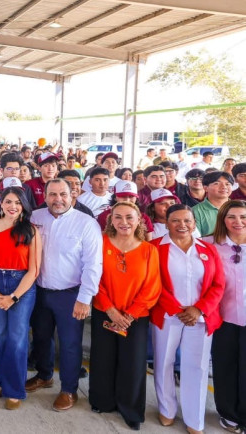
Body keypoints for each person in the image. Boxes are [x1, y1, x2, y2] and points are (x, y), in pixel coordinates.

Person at [27, 179, 102, 411]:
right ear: (45, 196)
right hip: (40, 291)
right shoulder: (36, 218)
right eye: (52, 194)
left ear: (73, 195)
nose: (57, 199)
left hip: (71, 295)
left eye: (62, 194)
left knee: (70, 344)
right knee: (41, 337)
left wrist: (84, 298)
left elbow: (93, 264)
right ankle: (44, 375)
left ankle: (69, 390)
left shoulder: (86, 223)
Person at [150, 204, 225, 433]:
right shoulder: (155, 248)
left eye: (187, 221)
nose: (182, 225)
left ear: (194, 223)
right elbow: (153, 282)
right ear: (167, 223)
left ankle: (195, 419)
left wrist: (199, 309)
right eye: (176, 221)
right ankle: (167, 409)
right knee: (164, 363)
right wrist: (176, 309)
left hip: (200, 318)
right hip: (168, 315)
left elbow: (218, 285)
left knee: (197, 368)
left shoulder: (208, 249)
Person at [89, 201, 161, 431]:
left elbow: (152, 287)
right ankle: (102, 401)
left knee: (133, 363)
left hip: (135, 318)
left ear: (139, 220)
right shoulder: (100, 243)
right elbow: (94, 278)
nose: (124, 222)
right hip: (105, 312)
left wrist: (129, 315)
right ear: (110, 220)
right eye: (118, 217)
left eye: (129, 217)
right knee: (103, 358)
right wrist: (110, 309)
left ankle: (130, 410)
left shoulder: (149, 250)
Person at [0, 186, 41, 410]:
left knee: (17, 338)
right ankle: (2, 380)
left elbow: (34, 271)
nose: (12, 206)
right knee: (2, 335)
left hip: (21, 287)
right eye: (8, 202)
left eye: (17, 202)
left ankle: (15, 389)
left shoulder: (31, 231)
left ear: (23, 205)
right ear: (1, 204)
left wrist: (12, 297)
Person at [204, 200, 246, 433]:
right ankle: (228, 413)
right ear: (223, 220)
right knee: (225, 366)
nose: (238, 222)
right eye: (232, 217)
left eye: (243, 217)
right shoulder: (210, 244)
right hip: (222, 318)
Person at [193, 171, 234, 236]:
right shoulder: (195, 211)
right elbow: (196, 239)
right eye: (216, 183)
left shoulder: (241, 208)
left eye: (227, 184)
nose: (224, 187)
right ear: (205, 188)